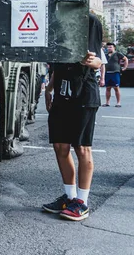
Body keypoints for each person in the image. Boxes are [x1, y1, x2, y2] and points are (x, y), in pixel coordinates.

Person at [42, 14, 104, 221]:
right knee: (60, 146)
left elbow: (96, 61)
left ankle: (82, 202)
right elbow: (58, 66)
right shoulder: (55, 22)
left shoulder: (90, 21)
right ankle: (70, 197)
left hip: (84, 94)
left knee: (82, 147)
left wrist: (92, 60)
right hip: (62, 93)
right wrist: (49, 89)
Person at [102, 42, 128, 107]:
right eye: (108, 47)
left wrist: (124, 67)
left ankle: (118, 102)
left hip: (115, 72)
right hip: (107, 73)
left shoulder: (117, 54)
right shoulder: (105, 55)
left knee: (116, 88)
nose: (109, 48)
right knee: (108, 88)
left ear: (114, 47)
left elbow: (126, 59)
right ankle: (107, 102)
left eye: (110, 47)